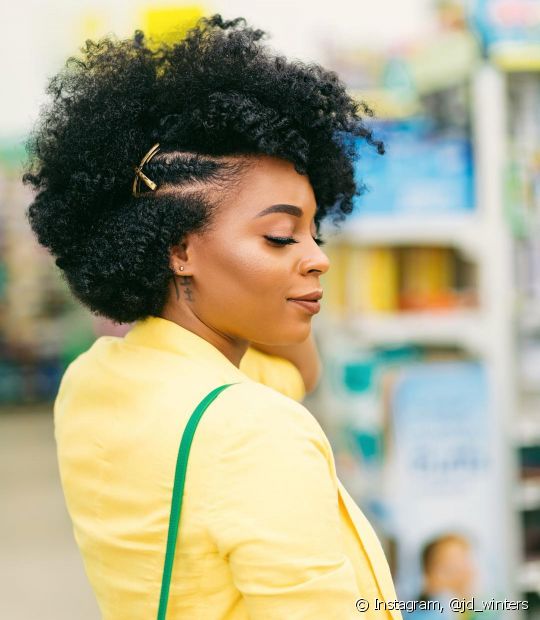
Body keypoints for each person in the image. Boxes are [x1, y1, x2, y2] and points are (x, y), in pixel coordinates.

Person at [23, 14, 399, 620]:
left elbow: (298, 376)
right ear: (179, 249)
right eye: (280, 236)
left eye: (315, 230)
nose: (320, 259)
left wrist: (285, 286)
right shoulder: (256, 431)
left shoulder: (100, 380)